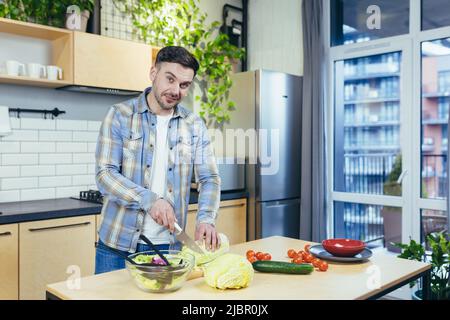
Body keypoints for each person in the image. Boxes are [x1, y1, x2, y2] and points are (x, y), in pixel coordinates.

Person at [94, 46, 221, 274]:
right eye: (170, 79)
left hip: (169, 248)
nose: (176, 90)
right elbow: (105, 174)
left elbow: (209, 178)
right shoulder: (120, 115)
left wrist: (206, 218)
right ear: (153, 73)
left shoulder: (194, 125)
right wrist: (149, 200)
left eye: (184, 85)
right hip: (116, 247)